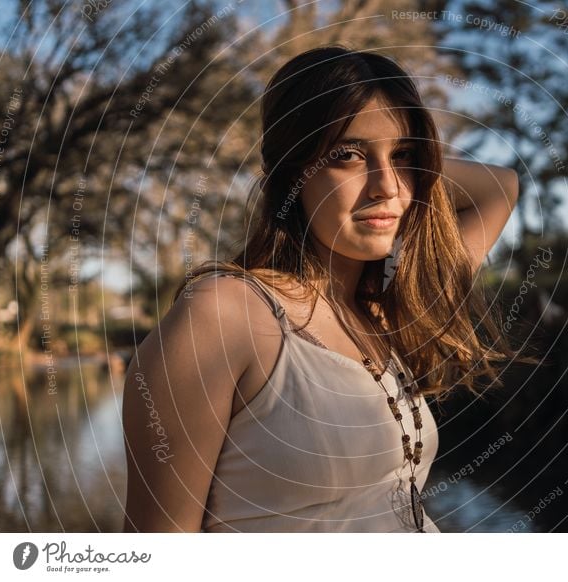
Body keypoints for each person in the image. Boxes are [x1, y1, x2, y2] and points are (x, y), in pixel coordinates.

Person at [121, 44, 536, 533]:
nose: (387, 186)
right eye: (347, 155)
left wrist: (413, 168)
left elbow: (499, 187)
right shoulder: (224, 316)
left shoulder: (383, 307)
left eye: (403, 156)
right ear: (292, 170)